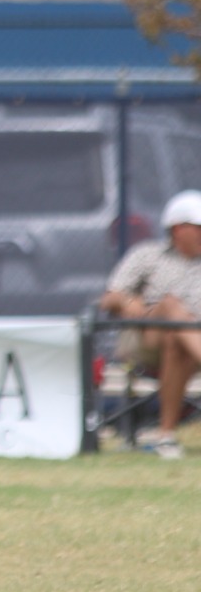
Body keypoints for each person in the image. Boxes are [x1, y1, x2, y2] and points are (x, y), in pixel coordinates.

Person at [98, 189, 201, 451]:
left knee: (176, 342)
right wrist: (126, 301)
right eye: (198, 228)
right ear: (177, 229)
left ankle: (165, 436)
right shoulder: (147, 255)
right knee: (170, 306)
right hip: (145, 339)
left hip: (184, 345)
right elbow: (109, 299)